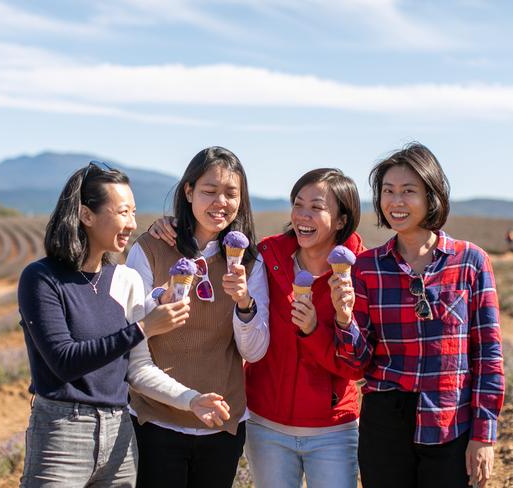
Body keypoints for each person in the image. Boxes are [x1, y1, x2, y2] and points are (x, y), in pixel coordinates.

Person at [18, 161, 230, 488]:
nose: (132, 224)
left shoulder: (126, 279)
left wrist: (191, 399)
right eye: (122, 212)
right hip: (63, 432)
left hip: (120, 436)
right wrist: (144, 327)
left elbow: (138, 369)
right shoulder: (42, 278)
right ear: (86, 215)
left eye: (133, 212)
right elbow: (63, 361)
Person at [150, 168, 365, 488]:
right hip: (268, 426)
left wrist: (316, 330)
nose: (302, 215)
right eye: (298, 204)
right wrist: (171, 226)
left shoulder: (360, 272)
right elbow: (216, 236)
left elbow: (355, 365)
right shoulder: (267, 256)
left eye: (316, 207)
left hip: (332, 430)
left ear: (342, 219)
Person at [333, 143, 504, 488]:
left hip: (451, 420)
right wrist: (343, 318)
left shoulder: (470, 261)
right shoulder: (367, 268)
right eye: (388, 191)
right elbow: (357, 363)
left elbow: (488, 355)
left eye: (408, 191)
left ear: (432, 195)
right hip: (385, 424)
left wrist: (484, 435)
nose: (396, 202)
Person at [126, 146, 269, 488]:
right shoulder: (150, 248)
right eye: (209, 191)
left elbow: (255, 352)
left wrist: (244, 302)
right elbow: (131, 336)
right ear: (188, 192)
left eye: (231, 194)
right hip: (155, 419)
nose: (221, 202)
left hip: (221, 421)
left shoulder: (251, 262)